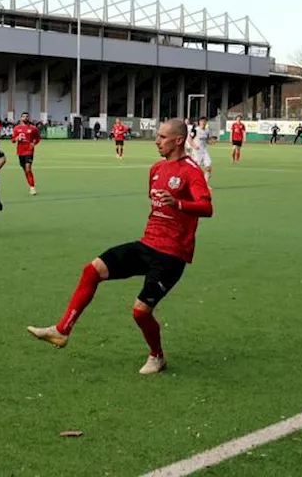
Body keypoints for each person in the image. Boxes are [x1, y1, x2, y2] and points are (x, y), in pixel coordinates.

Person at [27, 119, 213, 375]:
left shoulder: (191, 171)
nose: (156, 141)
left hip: (171, 255)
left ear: (178, 140)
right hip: (147, 244)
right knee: (92, 270)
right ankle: (62, 330)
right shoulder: (156, 168)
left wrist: (178, 204)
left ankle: (157, 356)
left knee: (140, 312)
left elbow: (207, 207)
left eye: (161, 137)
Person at [11, 112, 41, 195]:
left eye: (27, 116)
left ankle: (32, 187)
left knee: (28, 169)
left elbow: (37, 138)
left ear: (29, 118)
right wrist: (17, 138)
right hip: (20, 152)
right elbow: (13, 140)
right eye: (23, 116)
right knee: (25, 170)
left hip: (29, 151)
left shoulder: (33, 129)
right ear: (21, 118)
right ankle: (30, 184)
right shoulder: (17, 128)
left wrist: (33, 143)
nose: (25, 118)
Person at [192, 116, 214, 182]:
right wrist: (194, 145)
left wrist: (210, 142)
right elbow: (189, 138)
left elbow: (207, 140)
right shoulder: (196, 130)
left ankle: (205, 183)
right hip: (197, 152)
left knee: (208, 167)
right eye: (202, 121)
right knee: (196, 169)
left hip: (204, 151)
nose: (203, 122)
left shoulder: (207, 131)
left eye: (204, 121)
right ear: (199, 122)